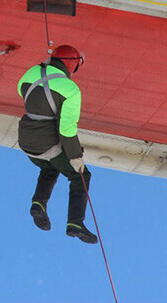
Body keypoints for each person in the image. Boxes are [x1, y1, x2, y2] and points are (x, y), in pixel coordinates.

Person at [17, 45, 98, 244]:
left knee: (50, 166)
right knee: (81, 176)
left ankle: (38, 203)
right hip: (46, 143)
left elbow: (22, 90)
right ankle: (75, 223)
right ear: (72, 64)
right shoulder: (71, 90)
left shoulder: (30, 73)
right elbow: (67, 130)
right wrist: (75, 157)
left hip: (27, 140)